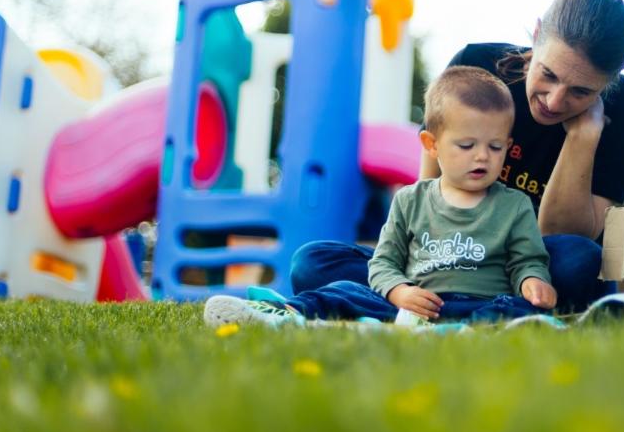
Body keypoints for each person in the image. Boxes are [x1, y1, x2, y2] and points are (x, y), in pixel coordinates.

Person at [290, 0, 624, 312]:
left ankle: (427, 306)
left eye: (581, 92)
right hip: (439, 256)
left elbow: (560, 234)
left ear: (615, 76)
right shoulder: (477, 66)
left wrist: (582, 138)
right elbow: (425, 196)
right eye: (548, 74)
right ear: (538, 33)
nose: (555, 101)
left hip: (530, 267)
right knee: (312, 262)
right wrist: (414, 270)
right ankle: (468, 307)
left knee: (580, 261)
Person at [204, 66, 557, 326]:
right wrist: (400, 292)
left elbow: (527, 259)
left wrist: (532, 281)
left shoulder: (513, 205)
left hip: (478, 303)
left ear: (508, 147)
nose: (482, 156)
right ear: (431, 145)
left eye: (495, 147)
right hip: (411, 305)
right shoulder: (410, 201)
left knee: (516, 310)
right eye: (466, 145)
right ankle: (287, 315)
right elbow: (384, 262)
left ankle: (482, 329)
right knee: (345, 288)